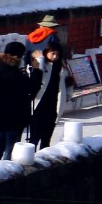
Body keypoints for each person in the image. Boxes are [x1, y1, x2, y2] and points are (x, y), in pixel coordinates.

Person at [0, 42, 38, 161]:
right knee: (10, 151)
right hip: (15, 117)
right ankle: (6, 176)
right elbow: (32, 88)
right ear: (19, 56)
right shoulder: (14, 74)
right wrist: (36, 71)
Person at [25, 15, 67, 148]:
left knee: (33, 137)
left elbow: (27, 55)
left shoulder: (30, 36)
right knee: (44, 138)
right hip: (48, 95)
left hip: (34, 66)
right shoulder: (52, 37)